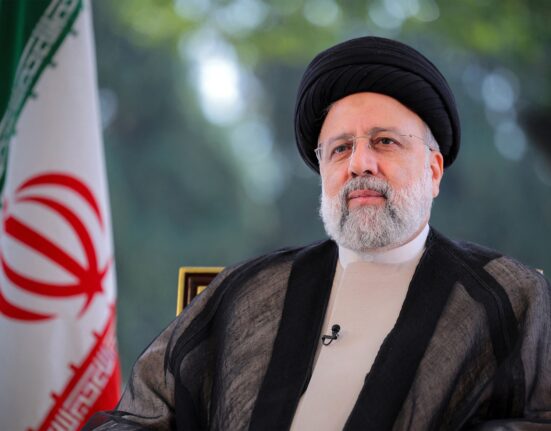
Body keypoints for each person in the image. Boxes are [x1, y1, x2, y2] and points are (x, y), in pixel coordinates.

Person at [85, 37, 551, 430]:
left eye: (384, 142)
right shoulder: (246, 292)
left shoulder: (506, 297)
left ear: (433, 170)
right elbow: (145, 414)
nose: (360, 164)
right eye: (341, 148)